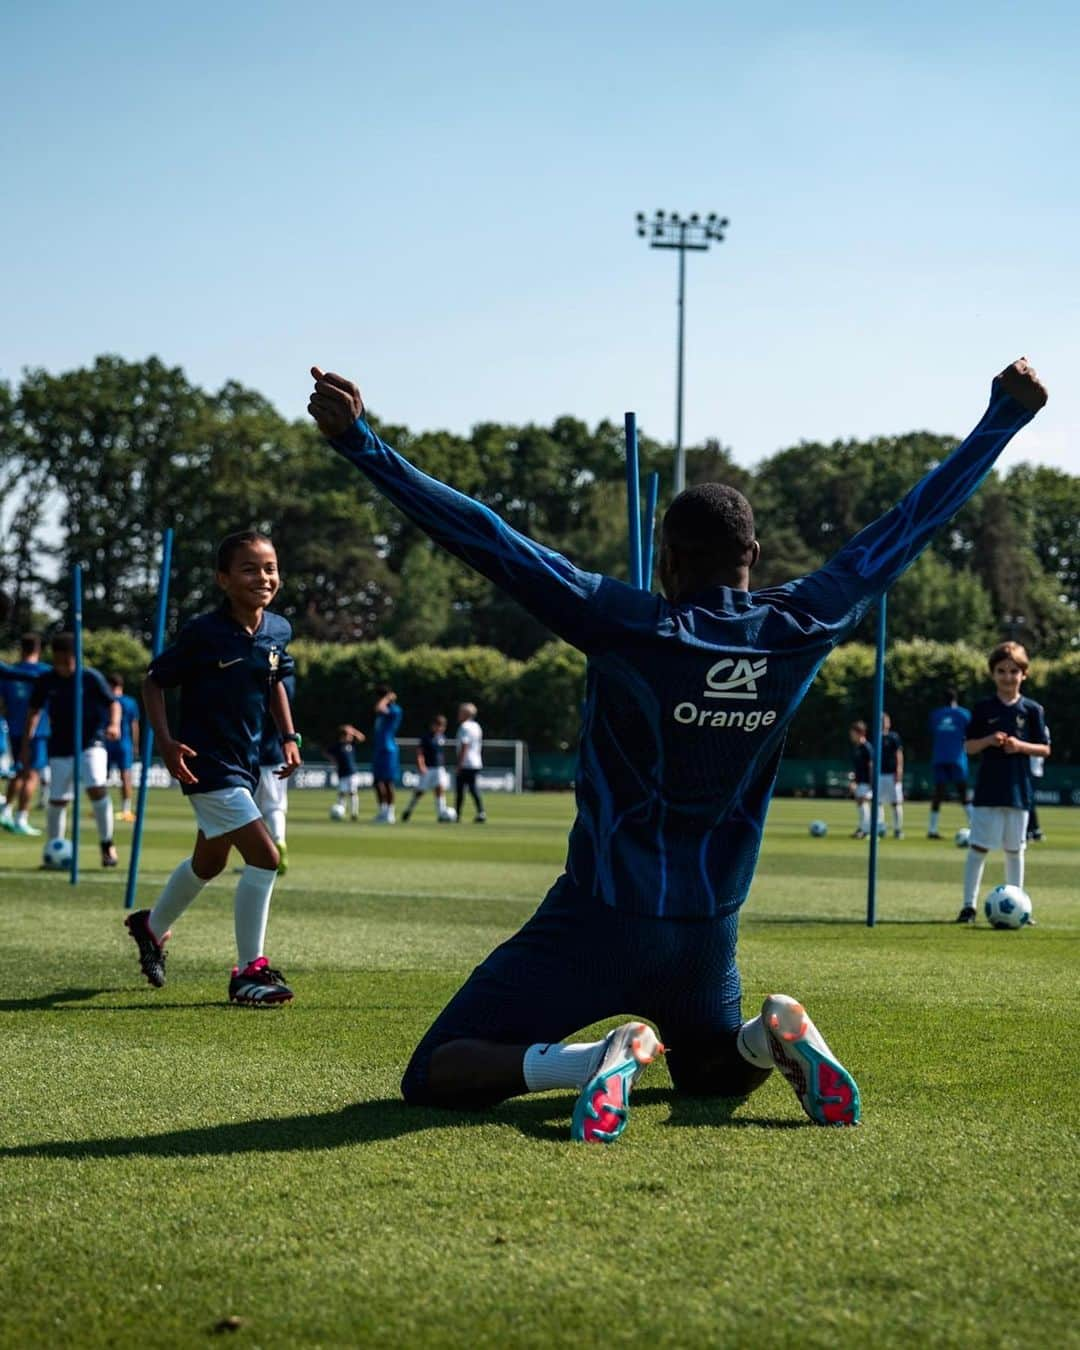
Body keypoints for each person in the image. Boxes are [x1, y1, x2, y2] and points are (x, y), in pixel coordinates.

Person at [308, 357, 1046, 1142]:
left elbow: (492, 542)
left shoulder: (626, 622)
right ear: (752, 557)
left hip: (598, 919)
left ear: (666, 559)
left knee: (437, 1069)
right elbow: (905, 527)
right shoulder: (801, 626)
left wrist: (361, 442)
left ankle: (593, 1058)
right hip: (707, 931)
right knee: (709, 1072)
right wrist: (1004, 416)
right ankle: (769, 1037)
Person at [124, 531, 302, 1005]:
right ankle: (250, 972)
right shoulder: (204, 633)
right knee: (265, 857)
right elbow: (154, 682)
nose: (263, 577)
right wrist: (165, 742)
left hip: (244, 763)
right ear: (223, 579)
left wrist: (288, 736)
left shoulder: (278, 630)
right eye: (249, 568)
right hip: (205, 764)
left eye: (270, 568)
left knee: (211, 861)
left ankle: (150, 927)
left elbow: (276, 679)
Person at [956, 641, 1049, 924]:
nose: (1008, 677)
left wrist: (1020, 745)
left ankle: (1019, 903)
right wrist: (988, 740)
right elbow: (968, 747)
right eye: (1001, 671)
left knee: (1014, 848)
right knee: (979, 847)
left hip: (1018, 789)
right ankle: (968, 906)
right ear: (993, 674)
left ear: (1024, 674)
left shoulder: (1032, 709)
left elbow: (1045, 749)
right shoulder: (983, 708)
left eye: (1014, 671)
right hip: (988, 788)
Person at [21, 634, 122, 867]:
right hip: (60, 746)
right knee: (57, 800)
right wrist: (27, 742)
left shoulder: (90, 677)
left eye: (67, 661)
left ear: (74, 657)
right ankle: (54, 846)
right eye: (59, 661)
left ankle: (107, 845)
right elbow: (33, 711)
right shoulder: (46, 680)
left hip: (91, 744)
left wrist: (114, 724)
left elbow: (113, 703)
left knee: (96, 786)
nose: (64, 666)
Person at [0, 634, 50, 838]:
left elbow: (1, 703)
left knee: (19, 770)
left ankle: (5, 811)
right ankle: (21, 818)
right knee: (32, 774)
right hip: (38, 730)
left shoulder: (10, 672)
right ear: (39, 650)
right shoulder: (45, 672)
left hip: (14, 727)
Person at [254, 673, 296, 874]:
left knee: (253, 811)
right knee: (276, 807)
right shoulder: (288, 682)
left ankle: (261, 855)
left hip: (254, 755)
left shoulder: (259, 674)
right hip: (278, 754)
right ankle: (279, 841)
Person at [927, 687, 972, 838]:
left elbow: (932, 732)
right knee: (963, 793)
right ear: (956, 699)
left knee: (938, 793)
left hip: (939, 757)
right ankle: (975, 827)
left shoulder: (936, 715)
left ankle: (932, 829)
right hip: (957, 758)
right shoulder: (964, 714)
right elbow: (971, 734)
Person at [402, 714, 454, 822]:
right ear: (433, 726)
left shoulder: (442, 737)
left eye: (442, 726)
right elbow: (420, 753)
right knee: (420, 792)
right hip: (428, 768)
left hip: (439, 768)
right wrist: (421, 765)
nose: (440, 728)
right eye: (438, 726)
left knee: (439, 789)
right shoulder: (426, 737)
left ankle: (441, 814)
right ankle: (408, 810)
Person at [107, 674, 141, 823]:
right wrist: (135, 744)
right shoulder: (130, 702)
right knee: (125, 776)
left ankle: (103, 808)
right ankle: (126, 810)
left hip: (107, 742)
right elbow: (135, 725)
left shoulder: (106, 699)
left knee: (101, 777)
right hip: (124, 743)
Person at [372, 686, 402, 823]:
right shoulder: (382, 713)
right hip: (379, 749)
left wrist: (387, 697)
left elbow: (379, 707)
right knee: (377, 781)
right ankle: (383, 811)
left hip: (388, 749)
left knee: (388, 781)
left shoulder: (395, 710)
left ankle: (390, 813)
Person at [455, 702, 486, 823]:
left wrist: (460, 764)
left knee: (460, 790)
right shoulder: (476, 726)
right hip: (476, 761)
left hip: (466, 762)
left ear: (466, 714)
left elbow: (465, 745)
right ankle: (481, 811)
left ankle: (457, 815)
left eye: (460, 712)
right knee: (473, 789)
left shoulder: (465, 727)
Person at [331, 723, 366, 819]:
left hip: (352, 773)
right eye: (348, 735)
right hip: (342, 773)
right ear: (343, 735)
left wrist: (353, 731)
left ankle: (354, 813)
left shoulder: (351, 744)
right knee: (342, 793)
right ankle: (341, 811)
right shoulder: (337, 746)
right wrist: (333, 761)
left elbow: (362, 738)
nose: (350, 737)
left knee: (352, 792)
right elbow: (327, 752)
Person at [878, 712, 904, 839]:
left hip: (891, 774)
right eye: (881, 720)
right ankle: (880, 827)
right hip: (880, 774)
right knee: (878, 803)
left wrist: (899, 769)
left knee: (895, 802)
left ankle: (898, 829)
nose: (883, 722)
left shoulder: (893, 737)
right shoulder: (876, 737)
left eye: (885, 720)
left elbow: (898, 754)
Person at [847, 720, 872, 839]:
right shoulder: (856, 748)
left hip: (867, 781)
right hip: (859, 781)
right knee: (859, 803)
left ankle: (865, 830)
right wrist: (853, 781)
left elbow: (871, 765)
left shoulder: (867, 747)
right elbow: (856, 768)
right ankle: (862, 828)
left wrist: (872, 783)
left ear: (860, 733)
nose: (851, 736)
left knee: (863, 802)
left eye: (853, 733)